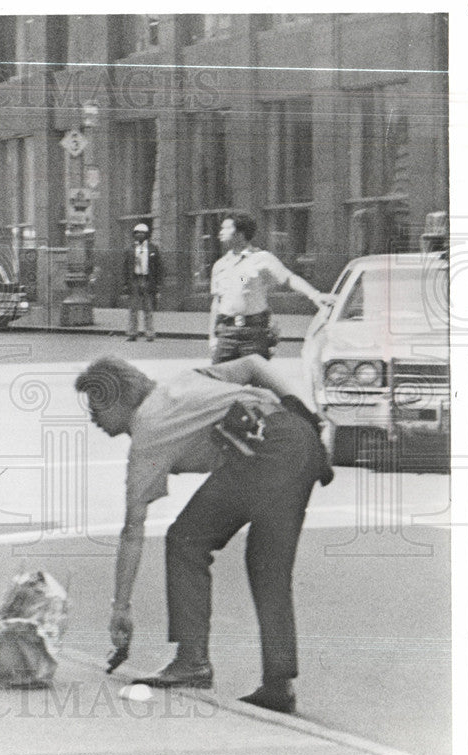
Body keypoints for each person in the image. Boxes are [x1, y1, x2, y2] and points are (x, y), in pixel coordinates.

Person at [75, 354, 333, 713]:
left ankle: (192, 661)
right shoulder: (185, 379)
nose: (94, 421)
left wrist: (121, 608)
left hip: (266, 449)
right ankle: (278, 683)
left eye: (95, 410)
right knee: (267, 563)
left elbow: (133, 530)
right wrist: (303, 412)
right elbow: (254, 365)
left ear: (115, 399)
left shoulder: (148, 435)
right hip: (298, 438)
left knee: (185, 540)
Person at [209, 211, 331, 363]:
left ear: (240, 233)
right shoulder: (220, 265)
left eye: (226, 228)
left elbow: (288, 278)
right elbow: (217, 303)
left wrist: (315, 295)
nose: (220, 232)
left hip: (253, 333)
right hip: (226, 333)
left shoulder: (261, 258)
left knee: (257, 380)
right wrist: (212, 337)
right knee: (219, 381)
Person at [122, 223, 161, 342]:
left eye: (142, 233)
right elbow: (125, 268)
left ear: (147, 235)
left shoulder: (153, 248)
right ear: (134, 234)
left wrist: (158, 284)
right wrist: (125, 284)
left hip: (147, 279)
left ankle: (149, 333)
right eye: (137, 232)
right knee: (133, 308)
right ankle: (132, 333)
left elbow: (159, 267)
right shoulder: (129, 249)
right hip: (134, 279)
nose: (140, 235)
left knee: (148, 308)